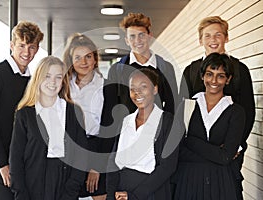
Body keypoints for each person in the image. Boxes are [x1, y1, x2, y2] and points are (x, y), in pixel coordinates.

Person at [179, 16, 255, 199]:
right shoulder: (190, 71)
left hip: (229, 152)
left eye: (218, 35)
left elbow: (248, 111)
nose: (213, 40)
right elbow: (182, 110)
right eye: (207, 36)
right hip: (193, 158)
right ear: (200, 40)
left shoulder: (240, 70)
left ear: (226, 38)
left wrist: (234, 146)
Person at [0, 21, 44, 200]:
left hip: (26, 161)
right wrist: (3, 164)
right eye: (21, 45)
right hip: (3, 162)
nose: (26, 52)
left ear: (37, 49)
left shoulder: (32, 81)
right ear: (11, 45)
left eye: (32, 47)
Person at [9, 56, 88, 199]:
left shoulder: (73, 112)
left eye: (58, 77)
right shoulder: (25, 114)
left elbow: (81, 157)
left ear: (63, 81)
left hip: (65, 185)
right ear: (38, 78)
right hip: (32, 186)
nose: (53, 82)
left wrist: (70, 192)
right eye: (47, 76)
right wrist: (21, 195)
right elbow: (16, 160)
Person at [173, 53, 246, 200]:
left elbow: (226, 156)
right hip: (188, 182)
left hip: (223, 184)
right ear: (202, 76)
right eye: (209, 74)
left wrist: (190, 141)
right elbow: (178, 151)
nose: (214, 80)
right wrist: (216, 153)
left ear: (228, 79)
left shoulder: (236, 111)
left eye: (220, 76)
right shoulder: (186, 107)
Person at [106, 68, 179, 200]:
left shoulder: (169, 122)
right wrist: (111, 194)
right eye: (132, 88)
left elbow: (168, 167)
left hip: (151, 193)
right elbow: (112, 161)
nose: (137, 93)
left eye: (143, 87)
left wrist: (134, 196)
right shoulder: (125, 121)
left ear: (155, 89)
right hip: (121, 192)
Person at [62, 33, 118, 200]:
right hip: (69, 149)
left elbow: (111, 127)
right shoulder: (63, 86)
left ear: (95, 59)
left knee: (98, 194)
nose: (83, 62)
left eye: (88, 56)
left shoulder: (107, 86)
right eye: (78, 57)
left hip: (97, 147)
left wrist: (97, 166)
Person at [107, 12, 178, 118]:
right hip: (126, 131)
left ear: (150, 36)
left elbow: (172, 105)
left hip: (157, 130)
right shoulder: (117, 69)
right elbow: (110, 106)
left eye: (141, 35)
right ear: (127, 41)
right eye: (132, 36)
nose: (137, 41)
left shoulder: (165, 67)